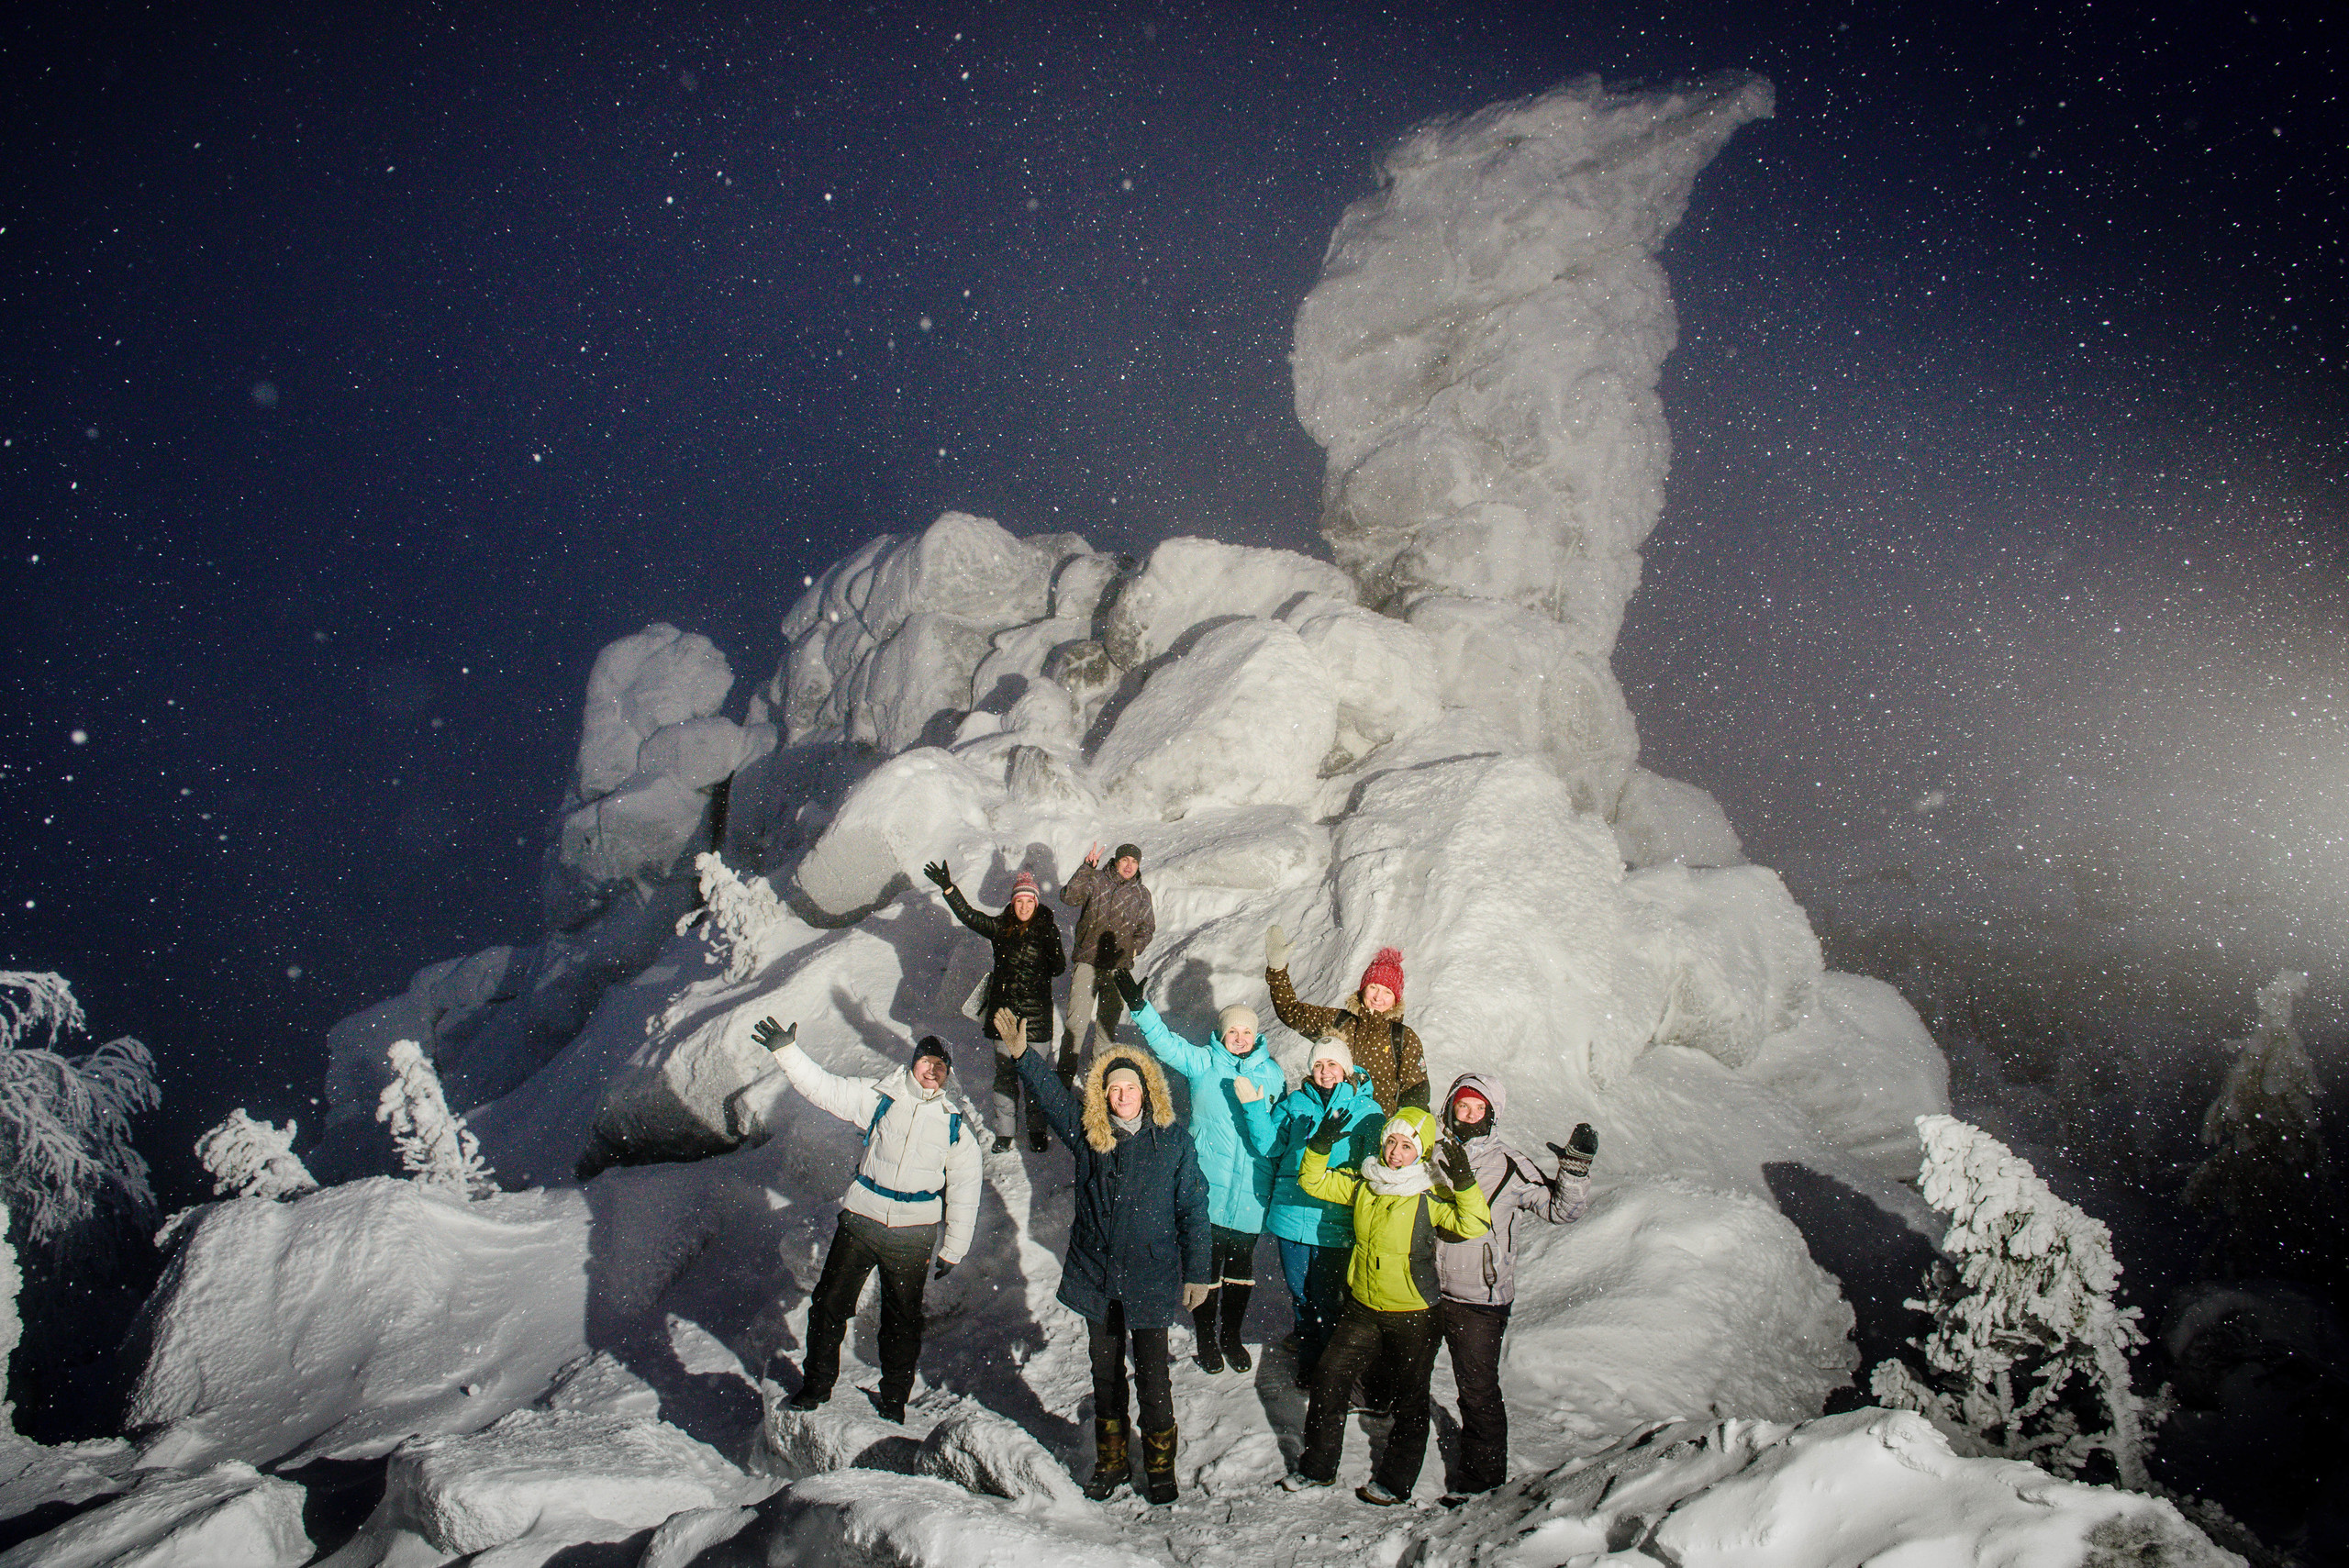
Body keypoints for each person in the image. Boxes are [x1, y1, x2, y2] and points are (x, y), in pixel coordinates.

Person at [998, 1006, 1210, 1505]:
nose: (1122, 1097)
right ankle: (1111, 1461)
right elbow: (1052, 1098)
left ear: (1146, 1092)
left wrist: (1199, 1272)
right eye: (1114, 1089)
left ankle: (1160, 1466)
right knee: (1105, 1372)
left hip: (1152, 1277)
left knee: (1154, 1377)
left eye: (1130, 1088)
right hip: (1097, 1277)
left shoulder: (1173, 1142)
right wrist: (1022, 1055)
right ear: (1104, 1094)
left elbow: (1194, 1211)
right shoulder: (1092, 1136)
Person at [752, 1018, 982, 1425]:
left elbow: (966, 1188)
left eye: (939, 1066)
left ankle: (894, 1400)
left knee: (902, 1321)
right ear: (913, 1064)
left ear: (948, 1074)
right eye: (925, 1061)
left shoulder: (954, 1127)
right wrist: (786, 1052)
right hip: (861, 1220)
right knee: (828, 1306)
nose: (931, 1070)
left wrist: (954, 1248)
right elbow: (823, 1088)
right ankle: (817, 1385)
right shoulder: (880, 1098)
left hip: (913, 1234)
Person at [1281, 1104, 1489, 1506]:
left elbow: (1474, 1224)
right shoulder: (1366, 1184)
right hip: (1363, 1306)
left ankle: (1395, 1483)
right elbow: (1313, 1181)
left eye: (1406, 1146)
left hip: (1413, 1313)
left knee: (1411, 1399)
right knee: (1328, 1378)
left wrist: (1464, 1182)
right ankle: (1317, 1469)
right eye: (1391, 1142)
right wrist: (1321, 1143)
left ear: (1422, 1152)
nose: (1395, 1152)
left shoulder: (1430, 1195)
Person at [1111, 968, 1287, 1374]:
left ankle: (1231, 1336)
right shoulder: (1205, 1062)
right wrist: (1140, 1008)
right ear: (1222, 1035)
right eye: (1233, 1033)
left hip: (1250, 1193)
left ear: (1256, 1035)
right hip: (1207, 1186)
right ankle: (1207, 1339)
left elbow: (1276, 1132)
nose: (1239, 1039)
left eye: (1246, 1033)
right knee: (1205, 1271)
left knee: (1241, 1274)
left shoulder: (1272, 1073)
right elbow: (1167, 1045)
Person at [1431, 1073, 1594, 1503]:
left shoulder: (1508, 1163)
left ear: (1491, 1114)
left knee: (1477, 1392)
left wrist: (1574, 1170)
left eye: (1477, 1108)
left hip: (1479, 1299)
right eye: (1461, 1106)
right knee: (1405, 1375)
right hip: (1426, 1289)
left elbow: (1561, 1210)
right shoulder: (1431, 1152)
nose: (1467, 1115)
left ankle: (1480, 1485)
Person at [1239, 1037, 1384, 1383]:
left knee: (1329, 1298)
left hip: (1334, 1219)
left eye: (1332, 1064)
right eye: (1318, 1065)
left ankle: (1331, 1370)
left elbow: (1373, 1165)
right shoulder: (1295, 1104)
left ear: (1346, 1069)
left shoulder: (1367, 1110)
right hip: (1291, 1214)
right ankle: (1309, 1360)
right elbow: (1269, 1146)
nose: (1324, 1072)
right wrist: (1256, 1110)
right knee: (1300, 1292)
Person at [924, 861, 1064, 1153]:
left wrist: (1050, 936)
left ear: (1036, 903)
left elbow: (1059, 967)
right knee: (1005, 1076)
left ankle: (1037, 1129)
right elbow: (971, 917)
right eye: (1019, 901)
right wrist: (950, 889)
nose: (1024, 907)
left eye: (1029, 901)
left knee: (1036, 1079)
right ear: (1012, 903)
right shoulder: (1002, 927)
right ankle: (1005, 1131)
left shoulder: (1047, 930)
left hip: (1037, 1020)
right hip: (1005, 1017)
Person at [1264, 928, 1429, 1113]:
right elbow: (1291, 1011)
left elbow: (1416, 1096)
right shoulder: (1340, 1022)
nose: (1378, 998)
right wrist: (1277, 969)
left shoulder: (1403, 1039)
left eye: (1387, 992)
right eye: (1373, 987)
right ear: (1363, 989)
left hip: (1376, 1132)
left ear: (1396, 999)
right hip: (1330, 1129)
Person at [1060, 842, 1155, 1076]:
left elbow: (1147, 928)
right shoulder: (1096, 880)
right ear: (1115, 861)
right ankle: (1062, 1083)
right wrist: (1086, 868)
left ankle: (1097, 1083)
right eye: (1125, 860)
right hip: (1087, 962)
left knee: (1107, 1029)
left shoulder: (1141, 894)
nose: (1129, 866)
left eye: (1134, 862)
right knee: (1076, 1026)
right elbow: (1069, 897)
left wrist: (1132, 950)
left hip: (1118, 969)